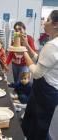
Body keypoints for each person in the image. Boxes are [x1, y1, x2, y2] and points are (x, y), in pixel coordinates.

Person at [20, 10, 58, 140]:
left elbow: (36, 73)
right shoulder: (54, 44)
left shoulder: (52, 45)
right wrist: (26, 46)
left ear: (56, 24)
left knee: (38, 130)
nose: (44, 23)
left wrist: (23, 52)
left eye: (47, 20)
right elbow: (39, 60)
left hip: (44, 93)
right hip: (49, 92)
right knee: (41, 127)